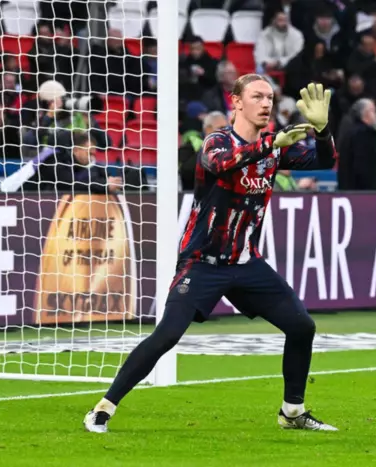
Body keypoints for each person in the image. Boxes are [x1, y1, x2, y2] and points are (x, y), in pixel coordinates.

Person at [84, 79, 338, 433]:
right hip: (202, 262)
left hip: (246, 263)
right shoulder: (217, 141)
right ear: (236, 102)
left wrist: (322, 132)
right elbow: (221, 165)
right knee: (167, 335)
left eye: (270, 97)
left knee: (302, 326)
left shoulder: (275, 148)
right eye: (257, 97)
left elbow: (324, 160)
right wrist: (271, 143)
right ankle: (103, 408)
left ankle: (292, 412)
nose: (266, 103)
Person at [337, 98, 376, 190]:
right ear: (365, 114)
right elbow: (363, 165)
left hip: (348, 188)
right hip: (362, 190)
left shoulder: (350, 131)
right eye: (373, 111)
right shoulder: (365, 133)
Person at [179, 110, 228, 190]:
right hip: (194, 193)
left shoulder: (229, 145)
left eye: (227, 127)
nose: (226, 131)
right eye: (221, 128)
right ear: (208, 129)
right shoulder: (192, 144)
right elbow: (184, 172)